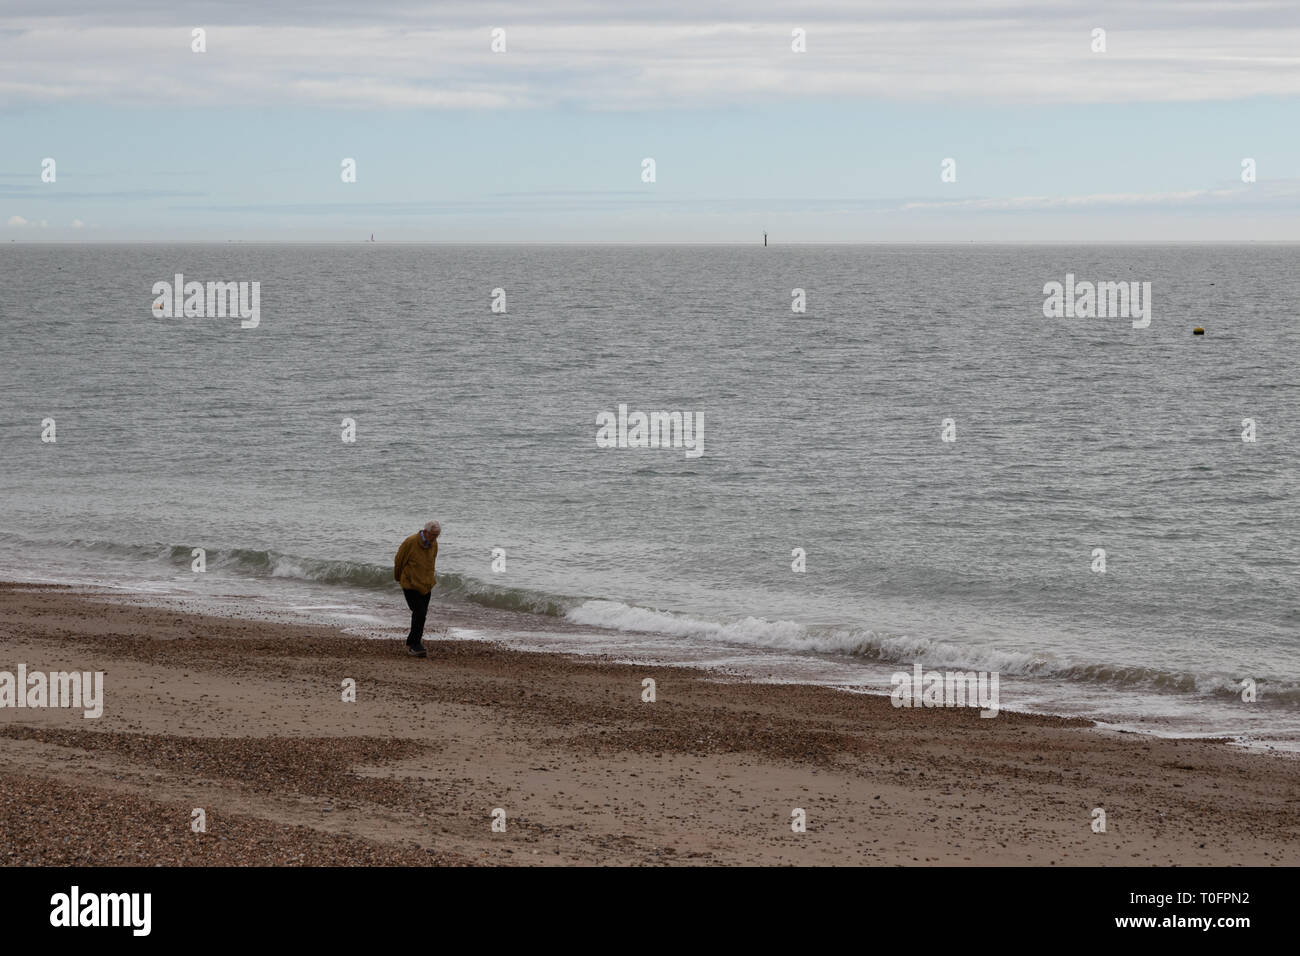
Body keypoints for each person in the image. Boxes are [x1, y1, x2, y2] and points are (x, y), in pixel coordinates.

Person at [394, 520, 439, 657]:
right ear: (425, 532)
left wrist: (430, 580)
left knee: (422, 614)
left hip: (425, 585)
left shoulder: (434, 544)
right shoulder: (411, 542)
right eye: (432, 535)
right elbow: (399, 560)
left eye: (437, 535)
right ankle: (414, 645)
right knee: (419, 612)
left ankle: (414, 642)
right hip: (410, 584)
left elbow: (432, 562)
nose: (434, 538)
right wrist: (398, 578)